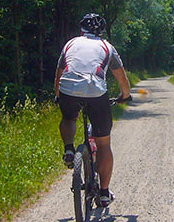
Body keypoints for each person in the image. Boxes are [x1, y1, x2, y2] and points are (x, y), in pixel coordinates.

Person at [54, 13, 130, 208]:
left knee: (70, 118)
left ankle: (69, 149)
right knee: (103, 143)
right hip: (96, 92)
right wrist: (125, 96)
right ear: (101, 31)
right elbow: (122, 78)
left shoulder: (70, 44)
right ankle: (104, 193)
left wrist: (58, 94)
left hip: (68, 88)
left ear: (82, 30)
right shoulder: (107, 47)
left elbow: (60, 73)